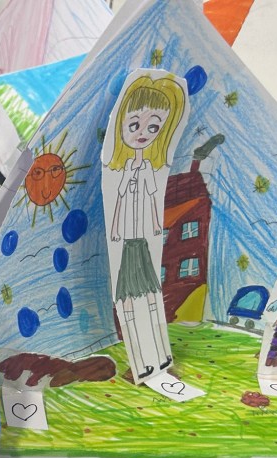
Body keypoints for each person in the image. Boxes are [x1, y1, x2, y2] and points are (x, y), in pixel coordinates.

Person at [104, 72, 187, 380]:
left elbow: (153, 198)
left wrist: (155, 226)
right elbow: (117, 200)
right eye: (135, 125)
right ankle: (141, 360)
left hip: (142, 242)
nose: (143, 133)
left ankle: (159, 357)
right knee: (127, 297)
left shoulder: (151, 167)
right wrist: (115, 230)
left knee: (151, 294)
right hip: (126, 243)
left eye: (153, 127)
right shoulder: (122, 168)